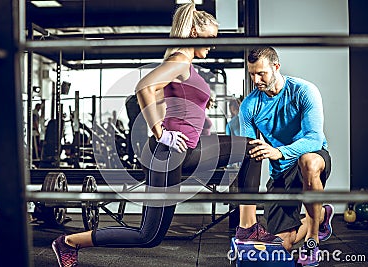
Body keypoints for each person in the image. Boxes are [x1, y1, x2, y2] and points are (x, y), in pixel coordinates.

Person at [51, 4, 278, 266]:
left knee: (251, 148)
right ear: (194, 32)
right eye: (211, 37)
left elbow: (165, 97)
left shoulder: (186, 65)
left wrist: (202, 100)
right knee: (148, 236)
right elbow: (144, 87)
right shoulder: (180, 60)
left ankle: (247, 226)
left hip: (187, 149)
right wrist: (160, 132)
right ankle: (69, 242)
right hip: (170, 153)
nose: (214, 44)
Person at [236, 47, 334, 266]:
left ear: (276, 67)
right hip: (281, 171)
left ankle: (312, 241)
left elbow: (314, 139)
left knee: (307, 161)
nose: (256, 79)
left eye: (261, 73)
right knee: (282, 246)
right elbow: (250, 153)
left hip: (311, 158)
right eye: (252, 74)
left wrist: (279, 151)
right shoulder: (250, 106)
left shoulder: (303, 91)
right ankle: (318, 218)